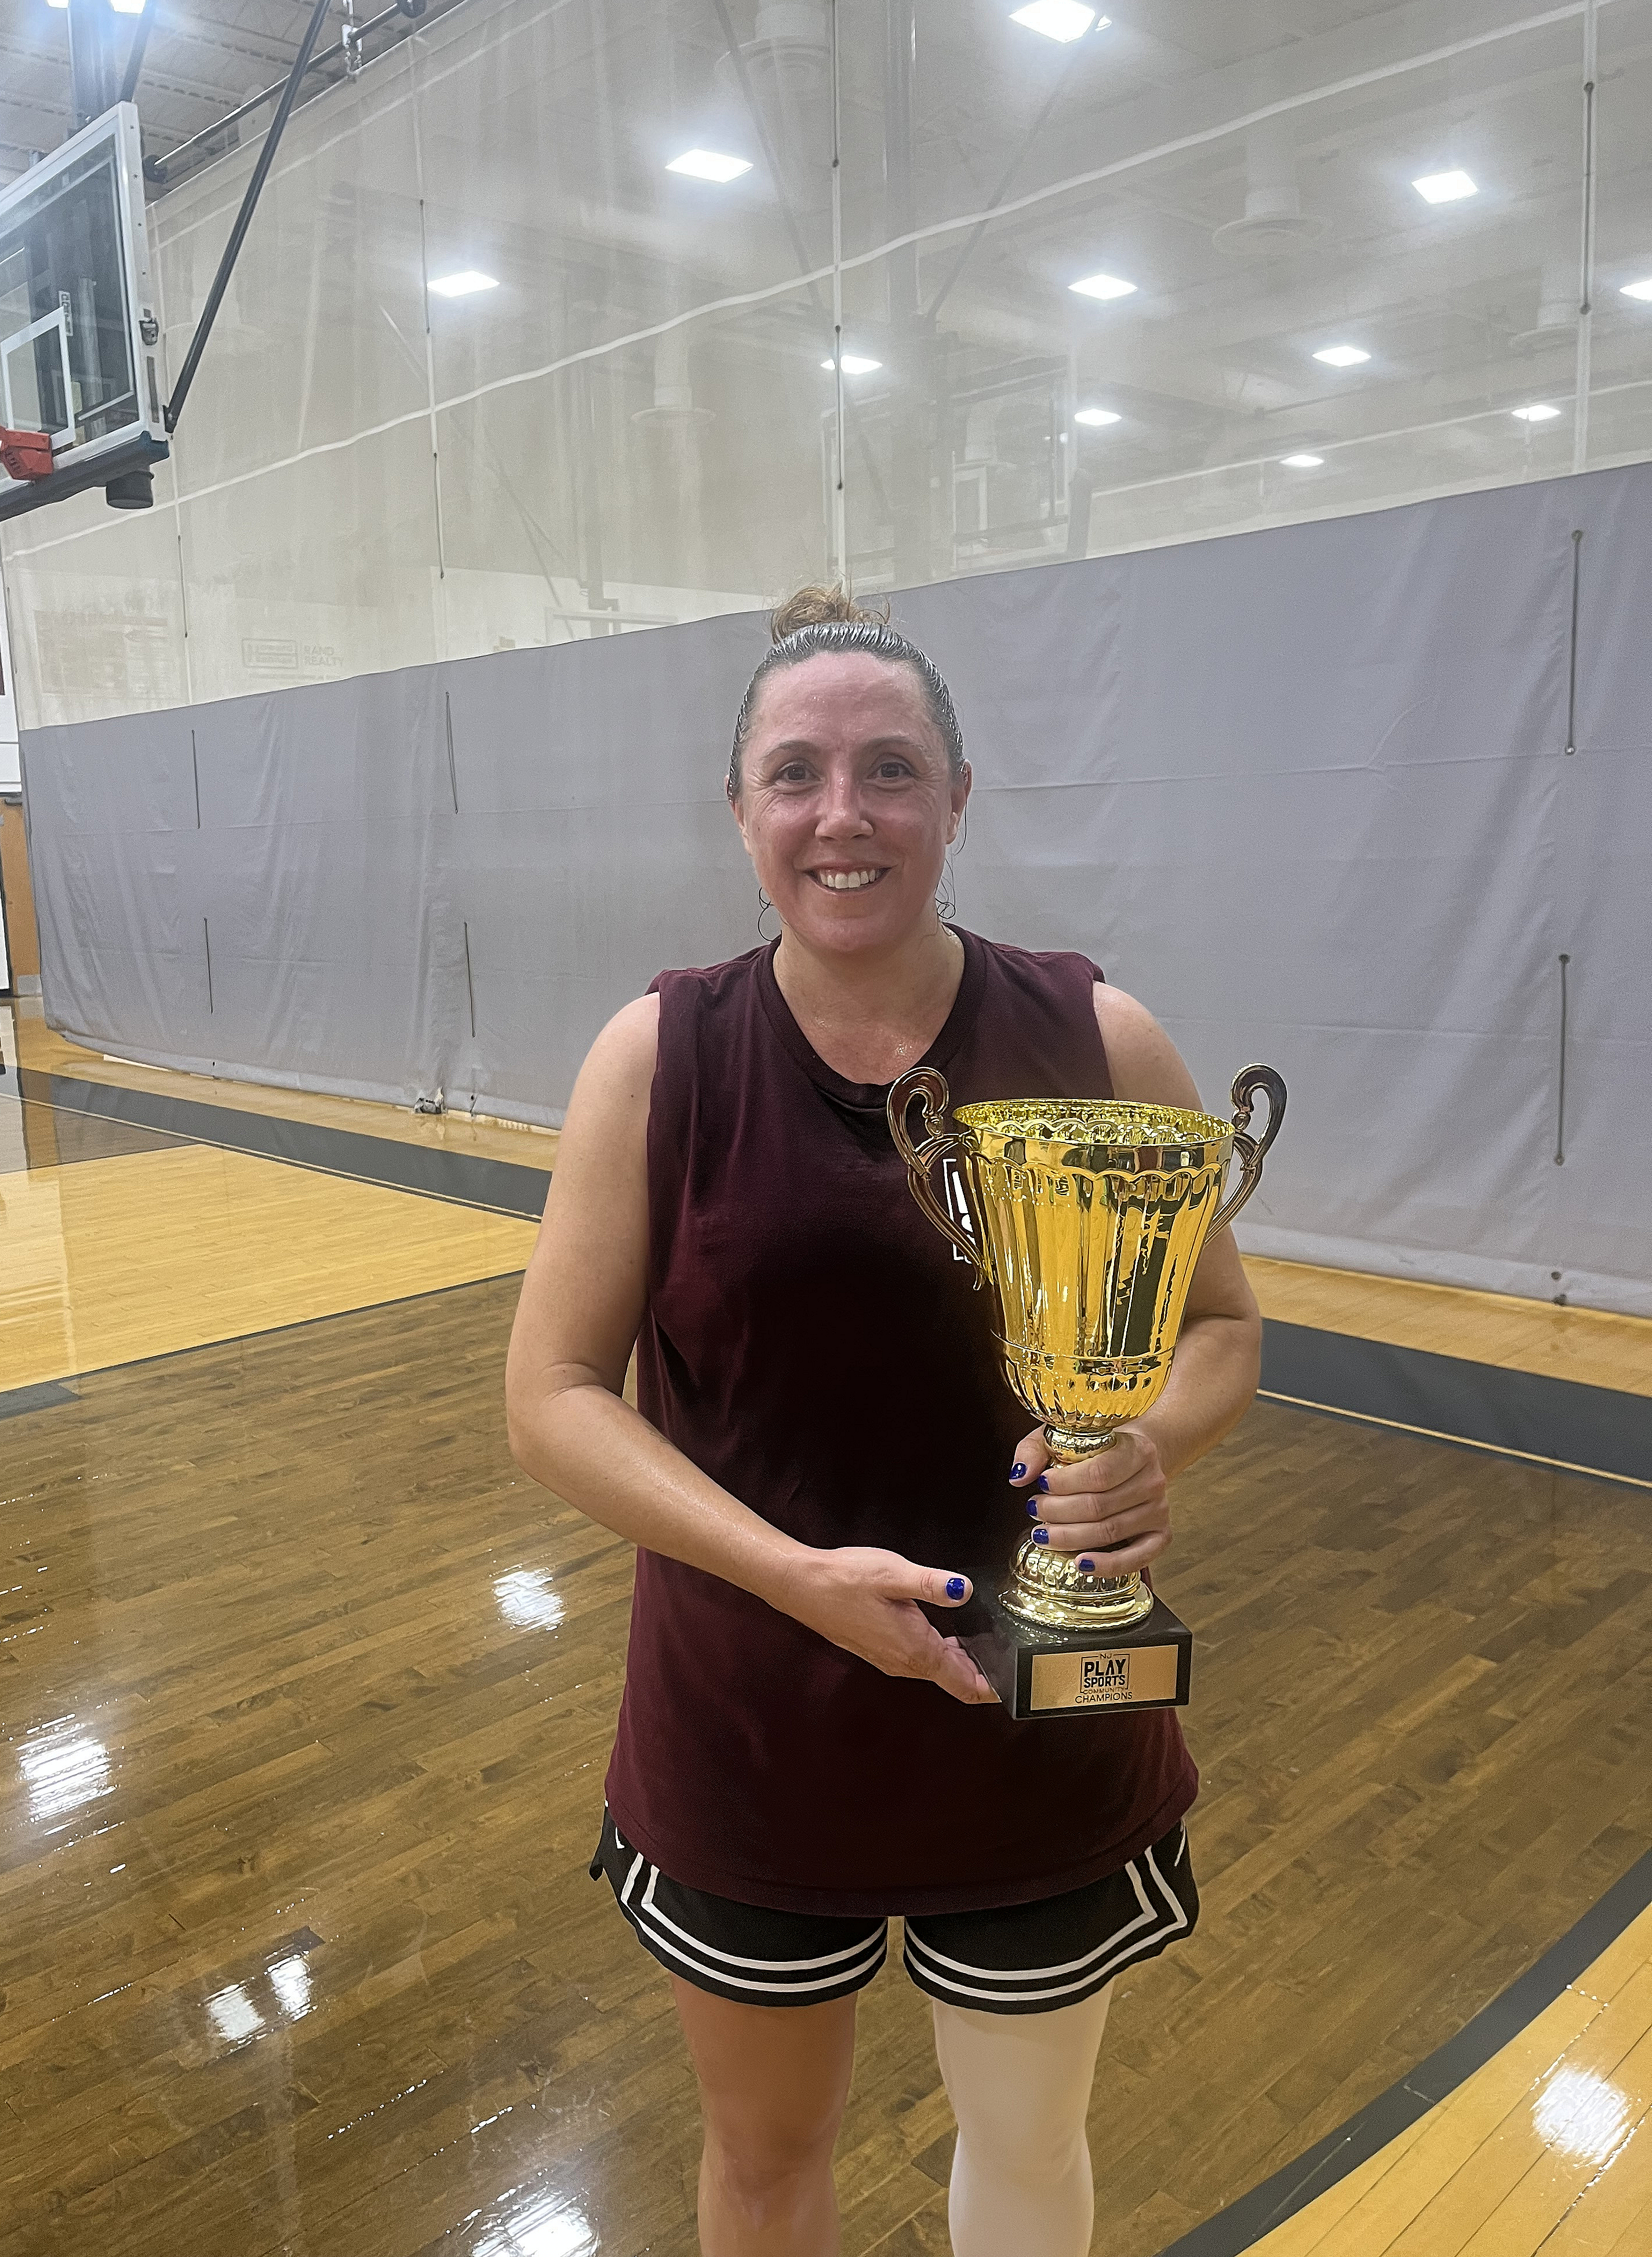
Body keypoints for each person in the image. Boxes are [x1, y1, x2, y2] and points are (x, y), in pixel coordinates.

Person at [504, 585, 1261, 2257]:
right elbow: (549, 1399)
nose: (842, 814)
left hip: (1036, 1720)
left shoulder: (1097, 1035)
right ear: (740, 810)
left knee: (1029, 2150)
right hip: (753, 1720)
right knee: (766, 2163)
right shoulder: (658, 1057)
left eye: (891, 771)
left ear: (959, 800)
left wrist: (1148, 1445)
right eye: (797, 774)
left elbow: (1219, 1324)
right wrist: (791, 1577)